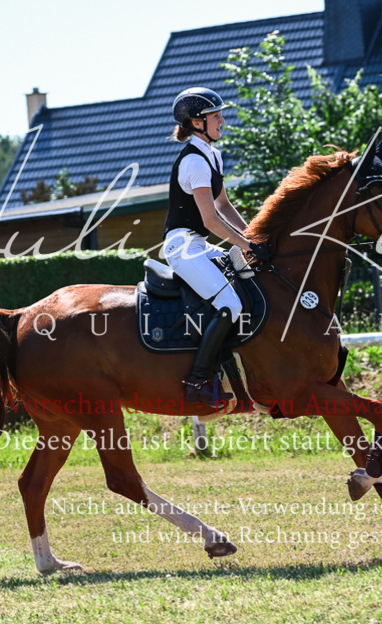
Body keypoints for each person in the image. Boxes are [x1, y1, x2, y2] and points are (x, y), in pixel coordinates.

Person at [164, 86, 270, 407]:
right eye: (216, 115)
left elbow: (224, 205)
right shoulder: (194, 162)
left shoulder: (213, 154)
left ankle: (236, 375)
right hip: (183, 247)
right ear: (198, 122)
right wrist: (246, 244)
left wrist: (255, 238)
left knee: (248, 279)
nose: (222, 120)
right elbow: (211, 220)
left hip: (199, 244)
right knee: (230, 304)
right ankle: (197, 382)